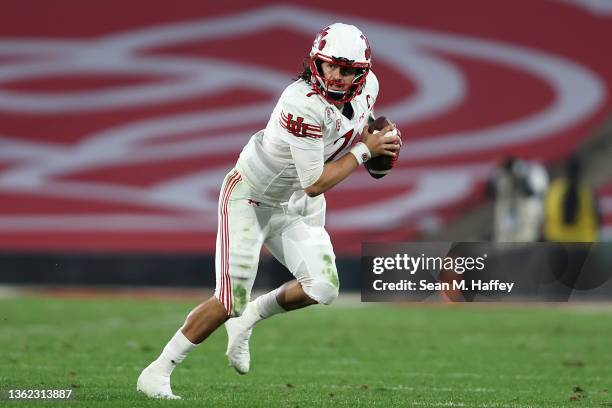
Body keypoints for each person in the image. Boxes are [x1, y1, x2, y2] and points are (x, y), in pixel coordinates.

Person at [137, 22, 401, 399]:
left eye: (347, 70)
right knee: (228, 300)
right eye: (330, 66)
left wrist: (381, 140)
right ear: (316, 63)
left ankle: (252, 317)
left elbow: (360, 127)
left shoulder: (369, 87)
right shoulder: (301, 103)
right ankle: (157, 371)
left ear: (361, 73)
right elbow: (317, 181)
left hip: (295, 201)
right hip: (252, 196)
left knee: (324, 287)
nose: (337, 76)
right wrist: (365, 152)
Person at [544, 156, 600, 242]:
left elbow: (547, 217)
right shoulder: (586, 192)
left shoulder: (555, 190)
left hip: (558, 241)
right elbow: (597, 218)